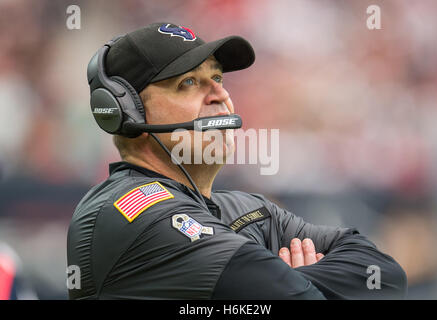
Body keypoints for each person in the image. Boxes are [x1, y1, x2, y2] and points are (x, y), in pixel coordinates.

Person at [67, 22, 407, 300]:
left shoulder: (244, 207)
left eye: (217, 78)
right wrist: (292, 281)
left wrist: (294, 279)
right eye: (188, 82)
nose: (221, 95)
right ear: (125, 111)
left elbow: (386, 277)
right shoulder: (131, 211)